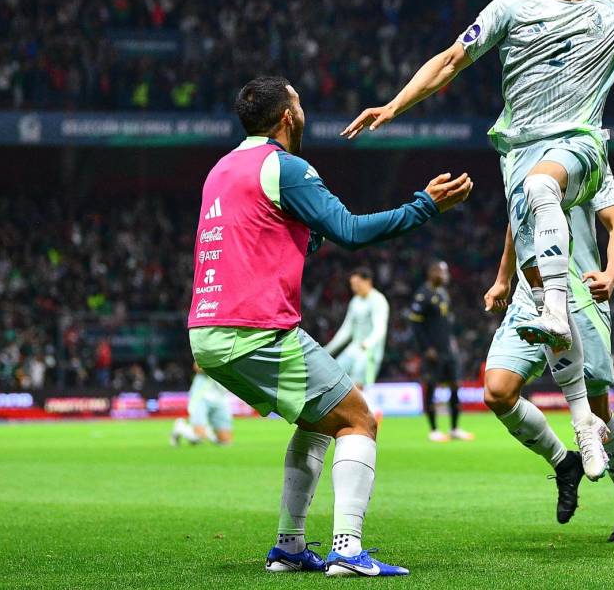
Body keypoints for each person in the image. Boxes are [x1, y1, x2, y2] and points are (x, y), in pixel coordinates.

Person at [342, 0, 614, 477]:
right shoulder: (511, 7)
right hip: (519, 159)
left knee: (544, 189)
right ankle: (575, 430)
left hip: (579, 147)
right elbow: (451, 59)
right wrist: (396, 104)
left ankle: (563, 326)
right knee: (533, 210)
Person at [187, 76, 472, 577]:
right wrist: (425, 206)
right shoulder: (285, 167)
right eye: (299, 103)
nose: (303, 111)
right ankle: (346, 548)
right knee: (360, 419)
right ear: (287, 118)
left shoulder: (221, 169)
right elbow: (351, 231)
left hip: (208, 330)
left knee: (318, 422)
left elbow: (258, 238)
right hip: (254, 328)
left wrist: (304, 239)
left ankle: (291, 546)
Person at [482, 161, 614, 541]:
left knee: (598, 415)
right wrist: (502, 279)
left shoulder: (588, 160)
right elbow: (516, 221)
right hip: (531, 299)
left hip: (582, 296)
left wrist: (612, 274)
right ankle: (564, 462)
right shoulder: (517, 159)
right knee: (497, 392)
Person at [407, 260, 473, 442]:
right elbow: (416, 325)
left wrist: (452, 342)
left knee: (455, 386)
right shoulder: (422, 295)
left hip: (448, 349)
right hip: (433, 351)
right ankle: (434, 430)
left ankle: (454, 428)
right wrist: (426, 348)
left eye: (446, 272)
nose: (446, 276)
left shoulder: (443, 293)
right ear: (431, 273)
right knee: (432, 387)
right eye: (442, 272)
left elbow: (446, 324)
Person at [324, 268, 390, 418]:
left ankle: (370, 413)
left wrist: (368, 343)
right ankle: (362, 412)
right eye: (352, 284)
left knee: (357, 384)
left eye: (357, 283)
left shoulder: (378, 300)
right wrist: (328, 349)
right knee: (334, 375)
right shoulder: (355, 301)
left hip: (369, 350)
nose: (354, 287)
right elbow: (346, 330)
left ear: (368, 281)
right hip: (354, 347)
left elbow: (380, 328)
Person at [171, 361, 234, 446]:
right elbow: (197, 367)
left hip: (220, 397)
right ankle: (180, 427)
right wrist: (219, 367)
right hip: (202, 395)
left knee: (225, 441)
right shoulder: (211, 349)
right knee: (199, 436)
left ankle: (207, 433)